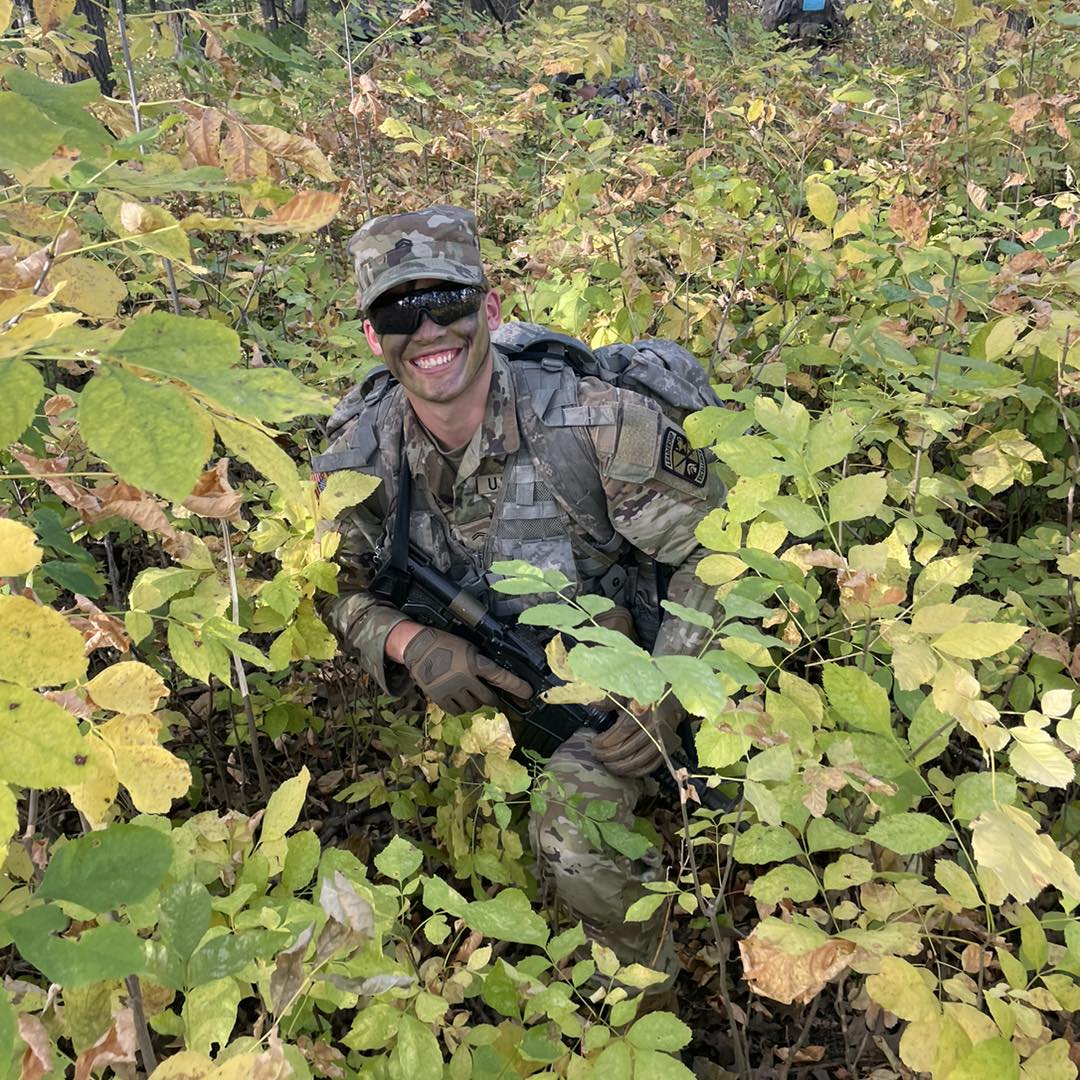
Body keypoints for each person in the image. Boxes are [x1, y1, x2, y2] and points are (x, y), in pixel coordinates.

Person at [312, 206, 724, 1002]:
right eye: (400, 309)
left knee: (575, 835)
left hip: (645, 668)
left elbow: (721, 555)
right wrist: (406, 644)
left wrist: (664, 690)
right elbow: (335, 587)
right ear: (371, 335)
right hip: (500, 697)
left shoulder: (595, 425)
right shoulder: (359, 459)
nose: (429, 329)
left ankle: (648, 1006)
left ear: (490, 309)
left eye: (451, 302)